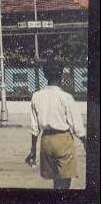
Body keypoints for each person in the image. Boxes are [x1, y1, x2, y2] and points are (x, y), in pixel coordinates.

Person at [25, 54, 86, 190]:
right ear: (61, 75)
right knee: (64, 184)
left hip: (46, 141)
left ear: (45, 74)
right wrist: (86, 143)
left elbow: (34, 128)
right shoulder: (66, 97)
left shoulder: (37, 96)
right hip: (62, 141)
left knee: (55, 183)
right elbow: (77, 127)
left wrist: (33, 151)